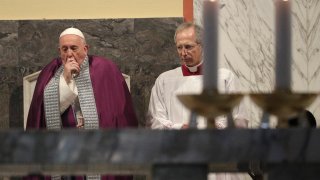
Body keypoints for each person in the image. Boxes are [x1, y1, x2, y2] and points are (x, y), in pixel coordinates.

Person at [26, 27, 138, 180]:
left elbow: (120, 113)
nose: (69, 54)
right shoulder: (50, 72)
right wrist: (65, 78)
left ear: (85, 48)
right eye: (64, 49)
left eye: (74, 48)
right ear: (59, 50)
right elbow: (43, 114)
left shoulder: (106, 69)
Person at [146, 22, 249, 180]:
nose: (183, 53)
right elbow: (154, 122)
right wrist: (180, 128)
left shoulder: (224, 78)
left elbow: (239, 119)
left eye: (188, 47)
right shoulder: (165, 80)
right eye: (179, 47)